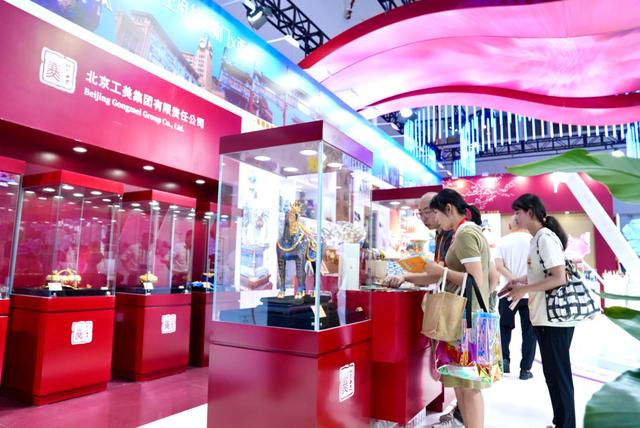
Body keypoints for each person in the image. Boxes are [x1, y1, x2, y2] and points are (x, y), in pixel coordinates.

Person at [501, 194, 576, 428]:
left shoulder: (544, 238)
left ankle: (566, 424)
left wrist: (523, 290)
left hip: (555, 320)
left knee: (559, 377)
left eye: (518, 212)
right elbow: (540, 274)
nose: (515, 217)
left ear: (530, 212)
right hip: (544, 317)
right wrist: (517, 282)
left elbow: (559, 277)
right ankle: (560, 422)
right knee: (552, 375)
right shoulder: (536, 239)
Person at [421, 189, 493, 428]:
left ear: (449, 209)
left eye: (435, 213)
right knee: (463, 384)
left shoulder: (465, 234)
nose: (435, 219)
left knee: (469, 386)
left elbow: (476, 279)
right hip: (466, 318)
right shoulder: (465, 232)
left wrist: (441, 271)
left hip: (467, 320)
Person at [495, 216, 536, 380]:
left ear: (509, 225)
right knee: (529, 332)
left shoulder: (502, 242)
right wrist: (521, 282)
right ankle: (525, 370)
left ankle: (504, 361)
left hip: (507, 292)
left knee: (504, 328)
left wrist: (513, 280)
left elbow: (498, 266)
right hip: (530, 292)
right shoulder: (533, 240)